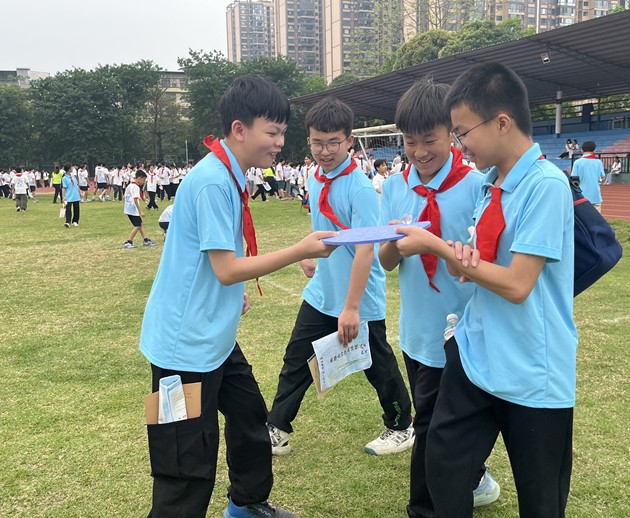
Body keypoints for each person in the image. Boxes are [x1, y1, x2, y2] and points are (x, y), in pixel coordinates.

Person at [139, 75, 337, 518]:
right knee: (184, 461)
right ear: (239, 129)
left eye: (283, 133)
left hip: (215, 340)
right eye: (273, 132)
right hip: (182, 350)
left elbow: (215, 263)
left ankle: (247, 504)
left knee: (249, 418)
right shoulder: (213, 181)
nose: (280, 143)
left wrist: (231, 294)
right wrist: (300, 250)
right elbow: (226, 268)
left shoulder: (228, 176)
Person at [394, 62, 577, 518]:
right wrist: (463, 260)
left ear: (501, 122)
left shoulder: (545, 186)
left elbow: (517, 285)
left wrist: (437, 246)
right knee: (443, 465)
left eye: (462, 132)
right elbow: (477, 266)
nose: (460, 145)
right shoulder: (491, 185)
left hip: (531, 370)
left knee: (541, 498)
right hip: (476, 355)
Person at [267, 97, 414, 458]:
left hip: (358, 298)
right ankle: (276, 427)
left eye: (333, 142)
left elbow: (365, 250)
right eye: (317, 142)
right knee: (296, 359)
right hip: (322, 291)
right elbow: (323, 228)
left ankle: (401, 426)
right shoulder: (316, 178)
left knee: (377, 365)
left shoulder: (359, 187)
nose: (325, 151)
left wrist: (351, 308)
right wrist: (308, 256)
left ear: (349, 140)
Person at [379, 80, 499, 517]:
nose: (419, 151)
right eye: (410, 141)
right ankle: (474, 477)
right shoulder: (395, 187)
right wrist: (398, 245)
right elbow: (386, 261)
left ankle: (425, 508)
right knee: (443, 422)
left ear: (452, 133)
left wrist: (433, 243)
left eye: (429, 139)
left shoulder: (477, 186)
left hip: (462, 330)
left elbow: (480, 260)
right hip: (416, 332)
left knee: (431, 429)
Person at [122, 170, 155, 249]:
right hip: (133, 210)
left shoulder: (130, 185)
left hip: (128, 209)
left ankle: (146, 240)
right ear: (139, 178)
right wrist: (140, 211)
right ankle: (128, 241)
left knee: (140, 224)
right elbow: (135, 199)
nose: (143, 182)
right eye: (143, 180)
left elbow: (124, 196)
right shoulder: (136, 187)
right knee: (137, 225)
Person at [571, 140, 605, 213]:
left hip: (581, 196)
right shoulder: (598, 162)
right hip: (595, 195)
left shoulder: (577, 162)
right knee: (596, 217)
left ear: (582, 150)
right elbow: (602, 177)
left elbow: (573, 179)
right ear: (594, 150)